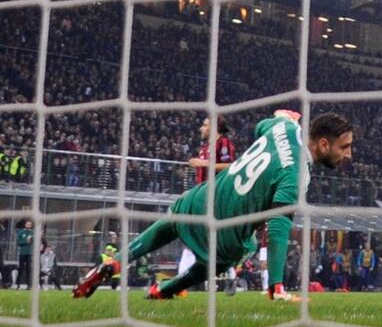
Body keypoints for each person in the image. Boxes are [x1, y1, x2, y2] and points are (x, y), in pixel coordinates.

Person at [72, 111, 354, 301]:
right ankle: (165, 290)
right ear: (324, 144)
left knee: (172, 221)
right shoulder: (297, 174)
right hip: (228, 229)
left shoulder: (286, 127)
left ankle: (116, 261)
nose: (349, 154)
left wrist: (285, 117)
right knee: (229, 255)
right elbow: (279, 227)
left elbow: (261, 126)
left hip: (207, 195)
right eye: (345, 147)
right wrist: (276, 286)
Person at [180, 115, 237, 293]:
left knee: (197, 234)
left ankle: (181, 280)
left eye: (205, 125)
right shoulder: (205, 148)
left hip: (218, 196)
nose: (201, 129)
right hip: (202, 196)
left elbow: (230, 166)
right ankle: (230, 275)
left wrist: (202, 163)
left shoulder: (224, 143)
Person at [15, 220, 33, 290]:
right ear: (25, 225)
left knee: (29, 269)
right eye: (28, 224)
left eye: (30, 224)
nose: (29, 225)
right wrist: (26, 241)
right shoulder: (21, 232)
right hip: (22, 253)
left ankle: (29, 285)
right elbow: (18, 242)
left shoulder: (32, 232)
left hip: (30, 253)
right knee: (21, 269)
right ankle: (18, 285)